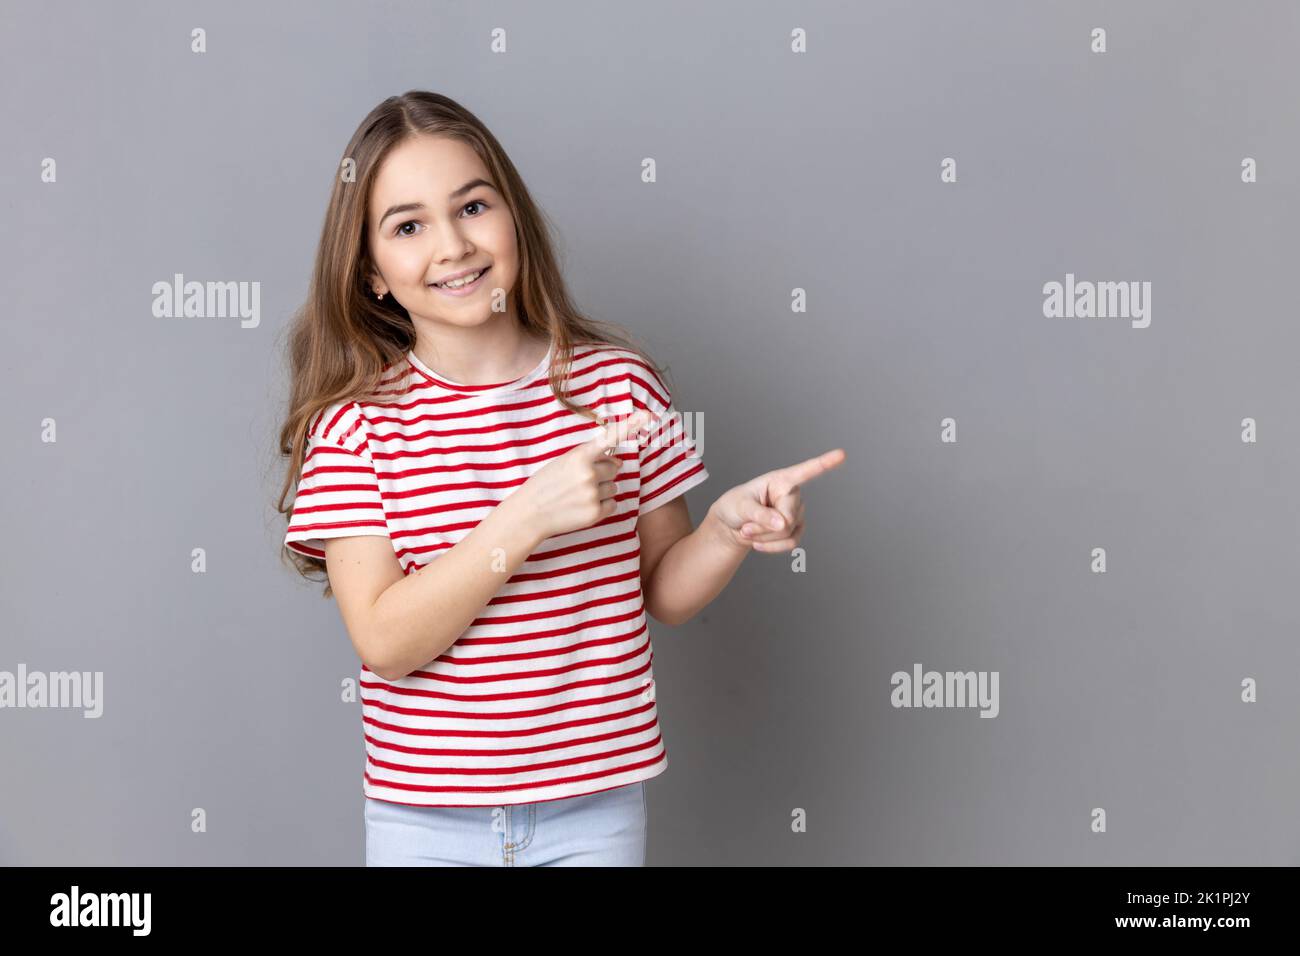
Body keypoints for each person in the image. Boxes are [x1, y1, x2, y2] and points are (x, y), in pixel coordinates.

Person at [276, 90, 846, 866]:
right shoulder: (355, 430)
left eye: (472, 206)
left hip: (595, 812)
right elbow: (385, 642)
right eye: (408, 226)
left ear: (513, 218)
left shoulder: (619, 388)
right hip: (424, 824)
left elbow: (664, 591)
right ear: (372, 273)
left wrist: (726, 528)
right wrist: (526, 516)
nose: (452, 246)